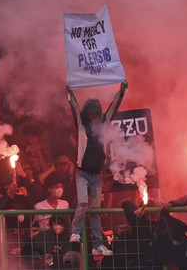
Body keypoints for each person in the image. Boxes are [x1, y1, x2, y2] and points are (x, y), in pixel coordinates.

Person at [67, 81, 127, 257]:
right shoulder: (82, 126)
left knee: (94, 210)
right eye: (90, 115)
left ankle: (97, 245)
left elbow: (113, 109)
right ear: (87, 115)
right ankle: (76, 233)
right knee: (83, 202)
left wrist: (121, 92)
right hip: (82, 173)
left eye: (96, 114)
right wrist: (70, 96)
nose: (93, 118)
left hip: (97, 175)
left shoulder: (104, 124)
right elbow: (75, 111)